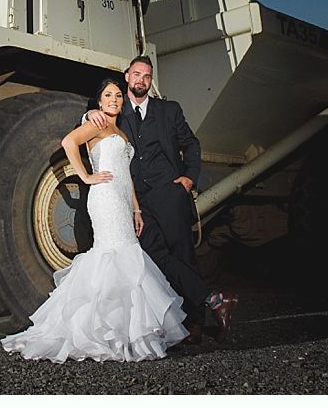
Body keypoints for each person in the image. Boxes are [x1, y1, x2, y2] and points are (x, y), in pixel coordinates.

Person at [1, 79, 188, 363]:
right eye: (107, 95)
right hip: (105, 198)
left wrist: (136, 210)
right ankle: (99, 333)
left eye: (117, 95)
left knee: (127, 259)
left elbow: (126, 177)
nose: (113, 99)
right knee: (112, 256)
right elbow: (68, 142)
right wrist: (85, 176)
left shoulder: (119, 131)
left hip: (123, 200)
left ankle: (123, 332)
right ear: (99, 102)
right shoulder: (97, 123)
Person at [86, 55, 238, 343]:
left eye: (147, 76)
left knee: (183, 255)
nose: (141, 80)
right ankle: (212, 301)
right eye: (136, 74)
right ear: (127, 77)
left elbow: (191, 143)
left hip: (169, 193)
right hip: (136, 203)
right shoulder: (116, 110)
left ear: (150, 81)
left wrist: (190, 178)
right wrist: (88, 115)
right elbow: (93, 121)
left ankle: (195, 323)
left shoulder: (169, 110)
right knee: (154, 257)